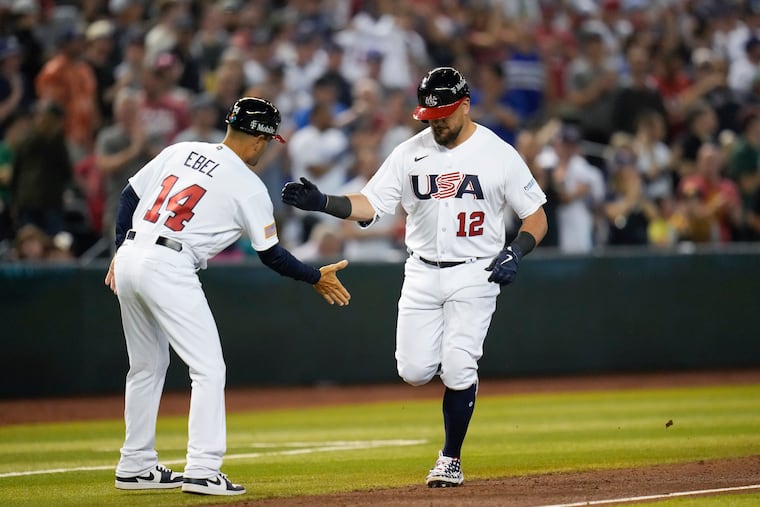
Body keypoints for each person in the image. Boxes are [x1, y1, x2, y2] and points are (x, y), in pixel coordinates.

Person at [282, 67, 548, 488]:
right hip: (421, 271)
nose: (436, 121)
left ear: (465, 105)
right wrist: (323, 202)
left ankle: (450, 458)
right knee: (414, 371)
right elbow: (370, 204)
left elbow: (536, 216)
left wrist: (516, 251)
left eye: (443, 112)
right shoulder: (410, 152)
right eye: (430, 114)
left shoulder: (498, 153)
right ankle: (454, 386)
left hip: (476, 271)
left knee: (459, 366)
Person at [105, 97, 351, 496]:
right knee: (208, 369)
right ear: (258, 139)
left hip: (133, 253)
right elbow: (271, 254)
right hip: (169, 263)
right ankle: (202, 468)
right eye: (268, 141)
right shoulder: (248, 185)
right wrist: (312, 276)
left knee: (146, 367)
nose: (266, 148)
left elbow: (128, 197)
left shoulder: (182, 149)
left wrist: (119, 248)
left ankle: (136, 464)